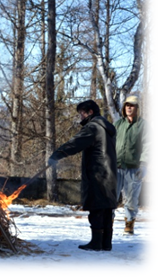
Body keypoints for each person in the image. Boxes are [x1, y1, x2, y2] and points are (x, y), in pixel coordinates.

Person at [48, 100, 117, 251]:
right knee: (106, 209)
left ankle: (96, 243)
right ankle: (106, 243)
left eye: (82, 113)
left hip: (98, 174)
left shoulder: (93, 127)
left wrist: (57, 155)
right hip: (110, 174)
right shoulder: (107, 128)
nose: (80, 117)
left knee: (97, 208)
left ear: (90, 112)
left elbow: (76, 143)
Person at [113, 95, 154, 235]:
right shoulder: (118, 125)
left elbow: (148, 146)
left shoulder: (143, 126)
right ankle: (107, 223)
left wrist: (143, 164)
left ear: (137, 108)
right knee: (110, 196)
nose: (129, 107)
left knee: (131, 198)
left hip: (133, 168)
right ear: (124, 108)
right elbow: (109, 143)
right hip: (116, 167)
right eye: (127, 105)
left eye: (132, 105)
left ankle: (129, 224)